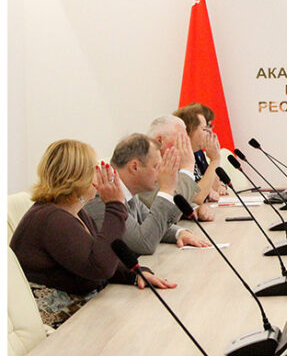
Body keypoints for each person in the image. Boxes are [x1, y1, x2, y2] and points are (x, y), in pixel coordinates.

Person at [10, 140, 175, 328]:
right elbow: (99, 268)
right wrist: (115, 206)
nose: (101, 174)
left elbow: (102, 253)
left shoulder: (74, 211)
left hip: (85, 314)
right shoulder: (52, 219)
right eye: (95, 169)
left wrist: (135, 274)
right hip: (58, 328)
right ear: (78, 177)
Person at [84, 134, 211, 255]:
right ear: (135, 167)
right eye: (156, 167)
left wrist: (179, 233)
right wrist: (166, 190)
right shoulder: (104, 197)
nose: (160, 173)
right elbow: (143, 243)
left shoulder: (129, 192)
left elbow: (150, 223)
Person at [143, 115, 215, 221]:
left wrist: (194, 208)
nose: (185, 145)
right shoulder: (144, 165)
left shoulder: (167, 163)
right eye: (180, 140)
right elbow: (166, 213)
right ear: (159, 140)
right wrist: (188, 168)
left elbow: (176, 195)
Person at [173, 103, 226, 202]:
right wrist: (215, 160)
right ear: (189, 130)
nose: (210, 133)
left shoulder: (198, 153)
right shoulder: (176, 158)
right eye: (205, 129)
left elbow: (213, 186)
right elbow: (196, 198)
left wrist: (217, 186)